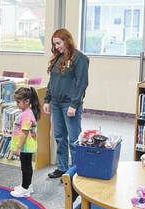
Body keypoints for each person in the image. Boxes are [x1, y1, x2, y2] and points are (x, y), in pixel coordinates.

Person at [43, 28, 89, 179]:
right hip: (56, 103)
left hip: (69, 105)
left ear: (66, 40)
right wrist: (47, 99)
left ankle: (75, 172)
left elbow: (82, 83)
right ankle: (62, 168)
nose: (56, 47)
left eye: (58, 43)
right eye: (54, 44)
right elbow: (52, 81)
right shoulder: (58, 58)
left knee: (74, 140)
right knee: (59, 137)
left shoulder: (79, 58)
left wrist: (74, 105)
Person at [10, 87, 41, 198]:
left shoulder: (27, 115)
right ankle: (28, 185)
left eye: (18, 102)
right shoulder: (26, 112)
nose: (17, 104)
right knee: (26, 166)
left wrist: (18, 147)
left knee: (25, 167)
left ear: (27, 101)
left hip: (26, 145)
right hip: (26, 144)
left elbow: (24, 132)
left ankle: (25, 188)